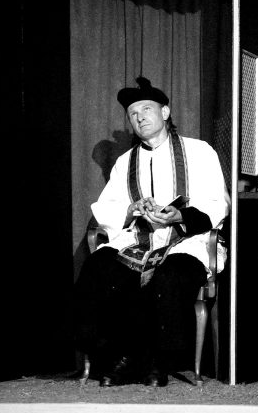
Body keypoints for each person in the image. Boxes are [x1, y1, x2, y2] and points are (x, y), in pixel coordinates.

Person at [72, 76, 230, 387]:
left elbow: (218, 202)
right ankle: (121, 356)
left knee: (169, 275)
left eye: (147, 109)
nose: (140, 117)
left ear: (165, 112)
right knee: (99, 267)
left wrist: (179, 215)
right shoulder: (125, 162)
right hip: (139, 239)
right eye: (133, 113)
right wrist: (131, 209)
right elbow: (110, 207)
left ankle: (158, 360)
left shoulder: (199, 151)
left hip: (187, 240)